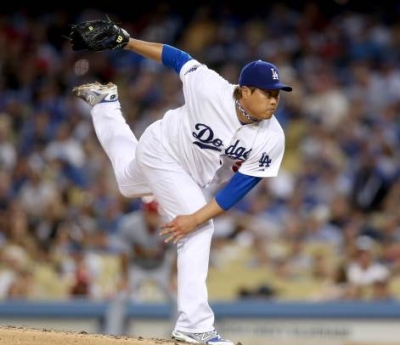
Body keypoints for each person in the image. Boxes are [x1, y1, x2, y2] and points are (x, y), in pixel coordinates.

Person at [71, 24, 292, 345]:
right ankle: (194, 325)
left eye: (277, 94)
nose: (274, 101)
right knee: (199, 231)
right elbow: (176, 57)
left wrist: (196, 215)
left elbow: (239, 187)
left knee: (126, 184)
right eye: (268, 93)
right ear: (245, 91)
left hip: (185, 175)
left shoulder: (272, 137)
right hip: (163, 148)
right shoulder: (210, 88)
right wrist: (128, 42)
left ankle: (105, 105)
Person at [104, 198, 177, 336]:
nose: (155, 217)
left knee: (176, 297)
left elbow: (174, 253)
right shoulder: (130, 224)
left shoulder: (168, 224)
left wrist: (172, 277)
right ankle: (112, 334)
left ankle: (179, 333)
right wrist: (124, 277)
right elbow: (124, 253)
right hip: (136, 266)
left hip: (160, 267)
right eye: (152, 214)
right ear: (145, 213)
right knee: (120, 296)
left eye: (157, 214)